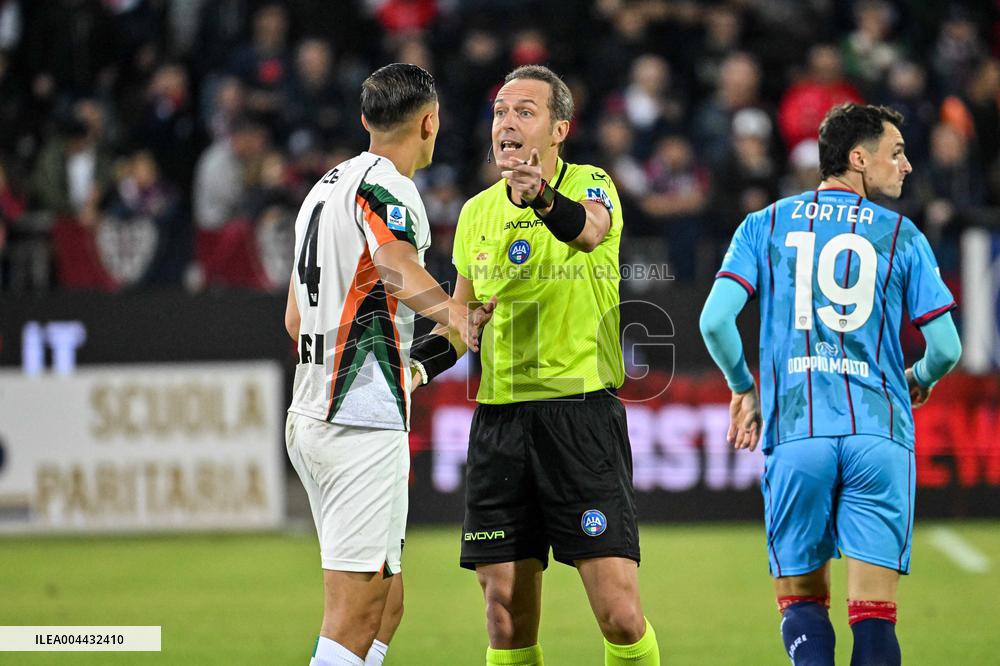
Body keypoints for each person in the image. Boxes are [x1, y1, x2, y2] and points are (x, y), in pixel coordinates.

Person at [406, 64, 660, 666]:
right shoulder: (475, 215)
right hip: (500, 424)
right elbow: (459, 322)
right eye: (500, 111)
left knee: (620, 615)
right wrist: (412, 369)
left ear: (559, 128)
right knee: (504, 616)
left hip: (581, 417)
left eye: (525, 111)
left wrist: (540, 196)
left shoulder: (593, 183)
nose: (507, 122)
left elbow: (590, 233)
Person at [699, 103, 963, 666]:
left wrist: (746, 388)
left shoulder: (763, 224)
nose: (907, 165)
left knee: (801, 603)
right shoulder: (903, 235)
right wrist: (916, 378)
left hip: (798, 432)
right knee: (874, 615)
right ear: (858, 158)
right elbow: (946, 349)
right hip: (879, 433)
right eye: (896, 152)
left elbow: (714, 321)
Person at [283, 63, 495, 666]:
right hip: (358, 423)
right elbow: (397, 267)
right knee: (350, 619)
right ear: (431, 122)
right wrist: (456, 314)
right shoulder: (389, 186)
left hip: (313, 416)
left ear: (365, 120)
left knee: (386, 603)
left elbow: (295, 320)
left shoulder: (320, 193)